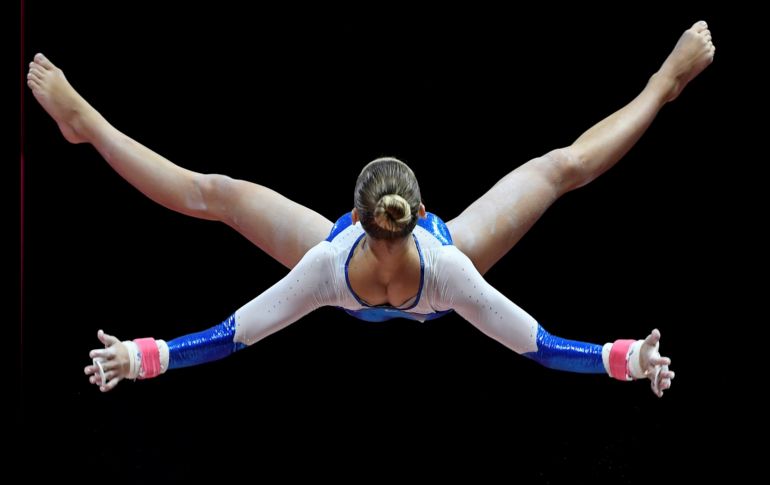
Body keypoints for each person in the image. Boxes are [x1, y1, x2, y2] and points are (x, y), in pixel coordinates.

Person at [27, 21, 714, 397]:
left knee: (216, 193)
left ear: (351, 218)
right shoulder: (450, 268)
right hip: (432, 280)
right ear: (425, 212)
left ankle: (89, 126)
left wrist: (138, 356)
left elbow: (227, 335)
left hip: (363, 278)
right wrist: (627, 358)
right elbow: (545, 348)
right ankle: (660, 85)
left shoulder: (327, 263)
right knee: (561, 168)